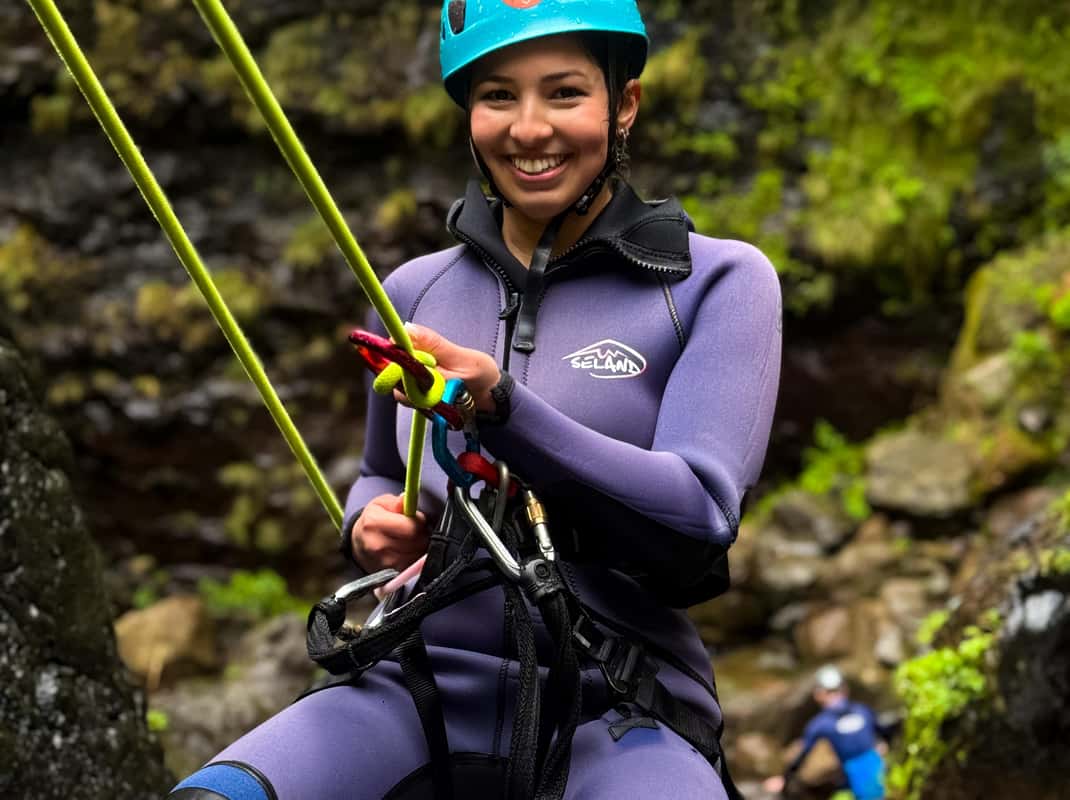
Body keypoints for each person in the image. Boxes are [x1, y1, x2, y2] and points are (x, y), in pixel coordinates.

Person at [167, 0, 781, 797]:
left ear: (623, 103)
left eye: (564, 93)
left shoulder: (714, 284)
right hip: (413, 683)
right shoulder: (413, 292)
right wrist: (370, 523)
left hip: (617, 703)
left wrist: (504, 408)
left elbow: (700, 515)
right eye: (498, 96)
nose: (528, 129)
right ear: (468, 114)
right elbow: (379, 470)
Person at [762, 666, 889, 800]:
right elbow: (884, 730)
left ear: (819, 695)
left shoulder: (821, 724)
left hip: (855, 774)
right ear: (845, 690)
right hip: (878, 767)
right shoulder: (862, 710)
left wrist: (784, 778)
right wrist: (882, 744)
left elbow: (802, 755)